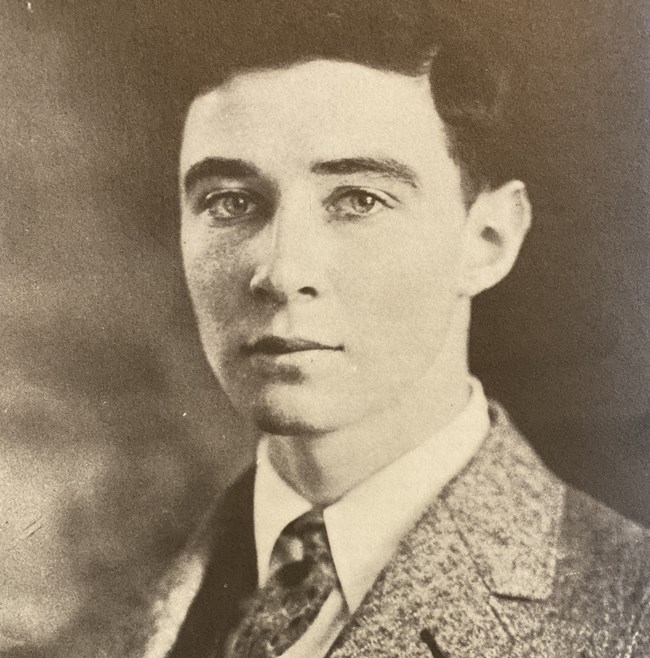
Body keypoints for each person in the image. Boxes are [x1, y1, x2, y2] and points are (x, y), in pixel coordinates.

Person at [149, 1, 649, 656]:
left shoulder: (628, 616)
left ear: (489, 239)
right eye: (230, 202)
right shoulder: (105, 612)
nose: (279, 270)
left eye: (359, 200)